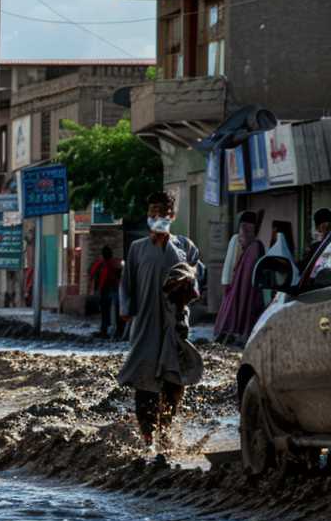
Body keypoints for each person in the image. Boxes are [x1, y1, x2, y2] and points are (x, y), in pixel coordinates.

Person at [118, 191, 203, 450]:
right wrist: (126, 310)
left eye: (163, 214)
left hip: (174, 325)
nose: (157, 218)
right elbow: (127, 285)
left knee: (173, 382)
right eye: (153, 213)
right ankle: (147, 438)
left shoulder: (186, 247)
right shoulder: (137, 249)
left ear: (172, 216)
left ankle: (166, 433)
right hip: (145, 325)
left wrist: (187, 283)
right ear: (148, 216)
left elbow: (196, 283)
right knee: (144, 383)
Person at [213, 211, 266, 346]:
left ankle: (234, 335)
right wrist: (227, 282)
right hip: (235, 284)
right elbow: (230, 262)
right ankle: (229, 335)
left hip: (242, 285)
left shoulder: (255, 245)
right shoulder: (241, 241)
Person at [88, 245, 123, 338]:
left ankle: (106, 330)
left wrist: (95, 289)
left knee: (106, 311)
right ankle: (117, 330)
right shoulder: (115, 263)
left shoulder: (100, 264)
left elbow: (92, 275)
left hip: (106, 289)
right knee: (115, 310)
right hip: (113, 289)